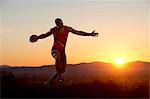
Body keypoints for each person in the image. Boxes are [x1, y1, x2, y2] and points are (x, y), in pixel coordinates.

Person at [30, 18, 98, 85]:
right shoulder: (54, 30)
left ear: (62, 22)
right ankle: (59, 76)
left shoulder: (67, 29)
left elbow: (78, 32)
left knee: (62, 70)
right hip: (55, 50)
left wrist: (89, 34)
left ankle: (48, 82)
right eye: (58, 24)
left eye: (61, 23)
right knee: (57, 56)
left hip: (62, 51)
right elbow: (45, 35)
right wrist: (37, 37)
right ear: (56, 25)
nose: (60, 25)